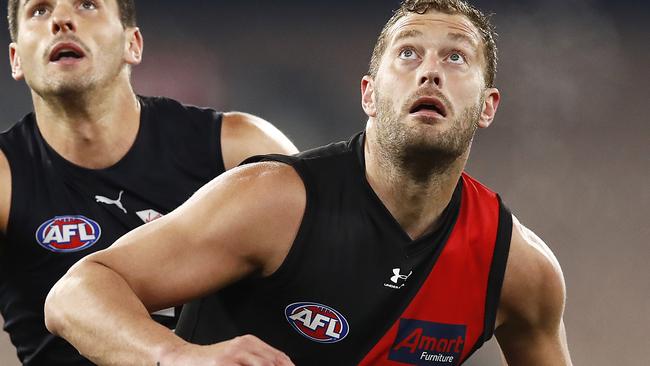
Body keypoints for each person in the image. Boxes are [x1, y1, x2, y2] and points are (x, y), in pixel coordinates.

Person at [44, 0, 573, 365]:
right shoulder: (274, 202)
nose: (429, 72)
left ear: (488, 106)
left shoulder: (515, 269)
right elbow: (75, 293)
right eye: (408, 53)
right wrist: (182, 358)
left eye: (455, 57)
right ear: (369, 94)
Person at [0, 0, 298, 364]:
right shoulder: (5, 175)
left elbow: (329, 281)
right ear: (15, 59)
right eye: (40, 11)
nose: (62, 20)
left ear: (133, 44)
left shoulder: (241, 149)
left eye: (87, 5)